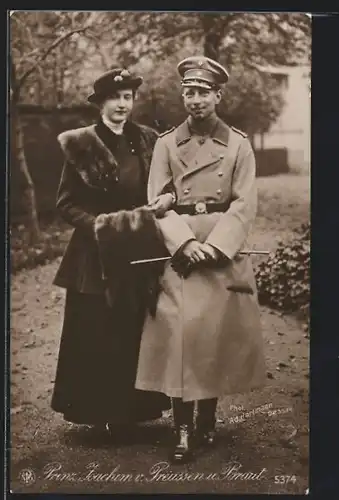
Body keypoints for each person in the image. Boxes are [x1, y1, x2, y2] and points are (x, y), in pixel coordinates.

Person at [135, 56, 266, 462]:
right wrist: (184, 243)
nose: (195, 100)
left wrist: (217, 245)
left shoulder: (240, 144)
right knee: (180, 336)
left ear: (218, 96)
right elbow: (156, 199)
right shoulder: (166, 143)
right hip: (182, 251)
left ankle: (206, 422)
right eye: (189, 92)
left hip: (221, 251)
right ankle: (182, 429)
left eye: (203, 92)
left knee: (213, 338)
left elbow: (245, 202)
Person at [51, 67, 173, 436]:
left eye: (127, 97)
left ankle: (133, 411)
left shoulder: (148, 140)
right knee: (96, 328)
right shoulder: (81, 143)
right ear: (100, 103)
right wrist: (101, 227)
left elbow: (165, 188)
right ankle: (97, 411)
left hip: (137, 248)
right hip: (95, 254)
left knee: (134, 328)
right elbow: (66, 204)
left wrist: (167, 199)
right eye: (115, 98)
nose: (122, 104)